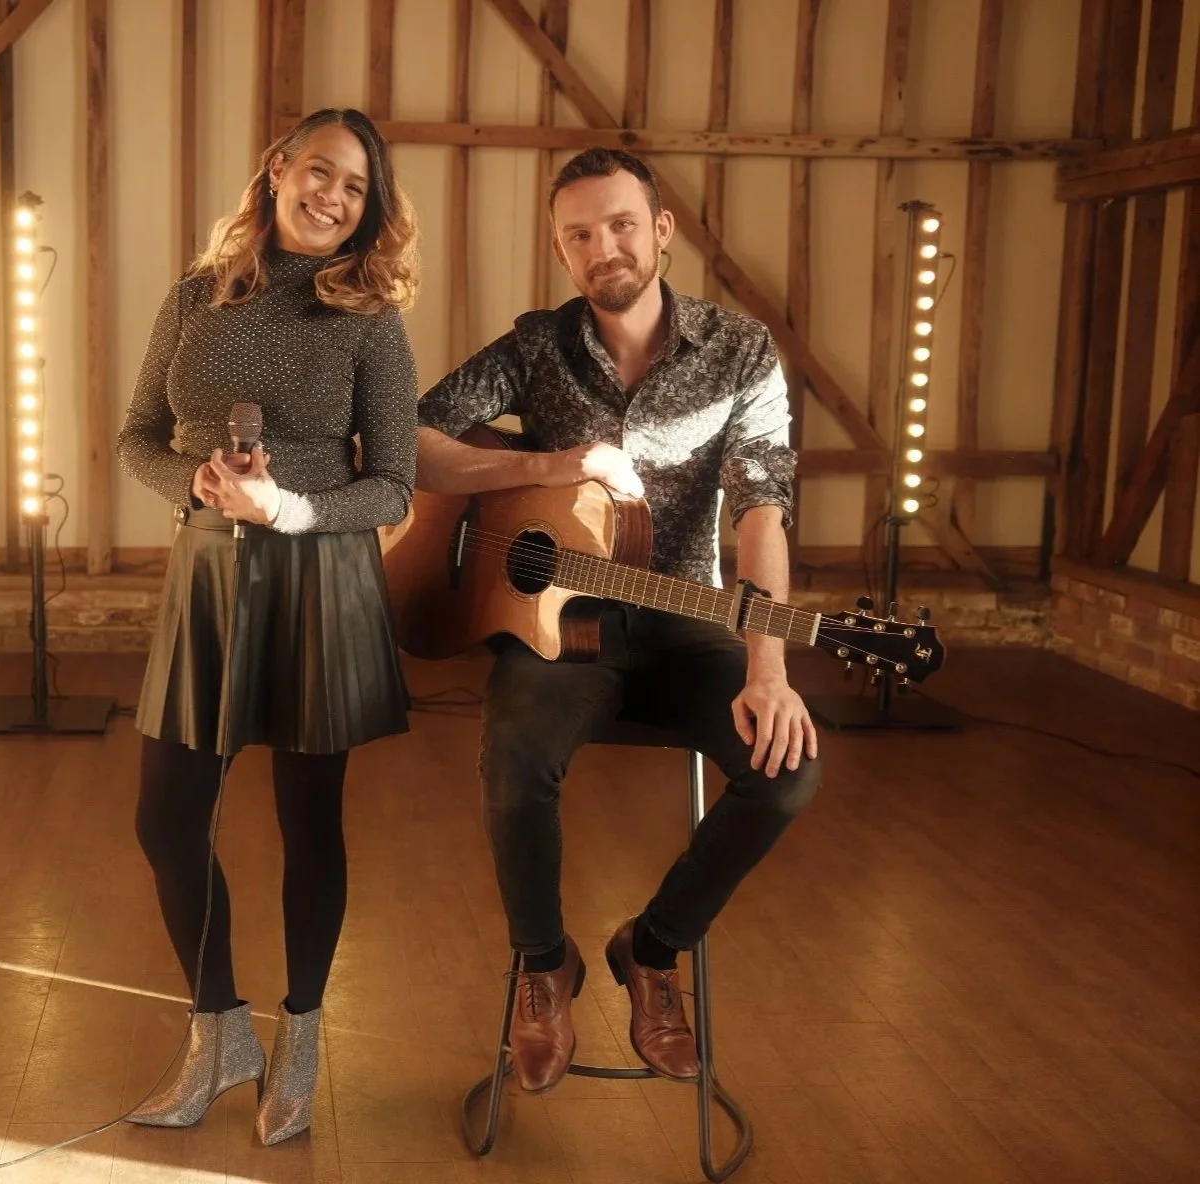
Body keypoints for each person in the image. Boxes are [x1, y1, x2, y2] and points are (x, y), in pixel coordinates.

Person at [415, 148, 821, 1093]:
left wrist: (769, 667)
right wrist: (546, 468)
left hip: (687, 625)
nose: (606, 247)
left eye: (622, 224)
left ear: (662, 228)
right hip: (557, 623)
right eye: (581, 235)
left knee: (788, 769)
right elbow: (417, 445)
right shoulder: (534, 348)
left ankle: (651, 949)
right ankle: (545, 961)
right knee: (513, 763)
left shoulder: (740, 351)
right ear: (563, 253)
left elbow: (761, 512)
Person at [115, 107, 419, 1145]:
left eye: (355, 188)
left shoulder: (369, 315)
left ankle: (301, 1034)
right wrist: (195, 481)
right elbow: (136, 435)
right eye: (320, 171)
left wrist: (287, 508)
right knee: (167, 816)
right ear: (277, 170)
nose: (333, 196)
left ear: (369, 209)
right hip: (207, 569)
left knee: (308, 819)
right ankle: (219, 1029)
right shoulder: (196, 295)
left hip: (320, 575)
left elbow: (393, 486)